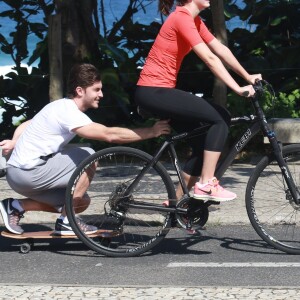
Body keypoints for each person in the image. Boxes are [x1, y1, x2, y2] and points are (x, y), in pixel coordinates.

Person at [0, 63, 171, 235]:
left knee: (81, 201)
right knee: (88, 156)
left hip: (21, 174)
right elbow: (109, 135)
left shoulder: (58, 106)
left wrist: (15, 141)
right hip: (28, 172)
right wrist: (151, 131)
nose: (101, 94)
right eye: (96, 89)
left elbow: (29, 123)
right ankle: (68, 221)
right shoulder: (68, 112)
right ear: (80, 90)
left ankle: (15, 206)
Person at [135, 0, 262, 202]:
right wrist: (237, 88)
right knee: (220, 118)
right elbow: (209, 59)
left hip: (160, 91)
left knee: (205, 145)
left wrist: (248, 77)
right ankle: (205, 183)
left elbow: (220, 50)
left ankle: (176, 205)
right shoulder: (181, 18)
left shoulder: (194, 20)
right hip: (153, 91)